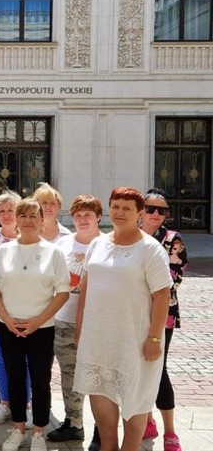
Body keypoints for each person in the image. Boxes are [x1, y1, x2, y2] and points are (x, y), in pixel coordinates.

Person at [74, 187, 172, 451]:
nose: (119, 212)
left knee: (135, 400)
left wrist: (154, 339)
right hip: (97, 339)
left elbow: (162, 295)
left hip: (134, 340)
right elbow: (85, 288)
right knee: (100, 395)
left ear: (139, 213)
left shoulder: (150, 249)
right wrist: (80, 328)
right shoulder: (97, 244)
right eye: (115, 206)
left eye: (127, 208)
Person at [0, 198, 69, 451]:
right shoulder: (4, 251)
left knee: (40, 380)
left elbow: (63, 292)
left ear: (42, 220)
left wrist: (37, 321)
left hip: (41, 328)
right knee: (14, 378)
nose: (28, 220)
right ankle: (18, 429)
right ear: (16, 220)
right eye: (22, 215)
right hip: (8, 326)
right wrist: (6, 318)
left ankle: (38, 432)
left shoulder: (54, 252)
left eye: (34, 215)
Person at [48, 195, 104, 444]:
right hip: (64, 320)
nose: (82, 220)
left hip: (97, 323)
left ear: (98, 217)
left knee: (98, 376)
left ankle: (102, 428)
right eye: (78, 215)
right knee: (69, 374)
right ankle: (74, 422)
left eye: (88, 215)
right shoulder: (62, 244)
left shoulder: (106, 244)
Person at [139, 188, 187, 451]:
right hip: (133, 312)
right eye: (150, 209)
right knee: (138, 365)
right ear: (141, 210)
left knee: (159, 367)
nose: (156, 214)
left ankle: (170, 430)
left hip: (162, 313)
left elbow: (173, 279)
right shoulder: (131, 236)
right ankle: (147, 420)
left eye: (162, 210)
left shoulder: (172, 239)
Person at [0, 190, 30, 426]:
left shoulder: (30, 237)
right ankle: (5, 403)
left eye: (10, 210)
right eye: (1, 211)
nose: (5, 215)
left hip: (26, 307)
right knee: (1, 356)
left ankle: (27, 404)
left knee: (26, 358)